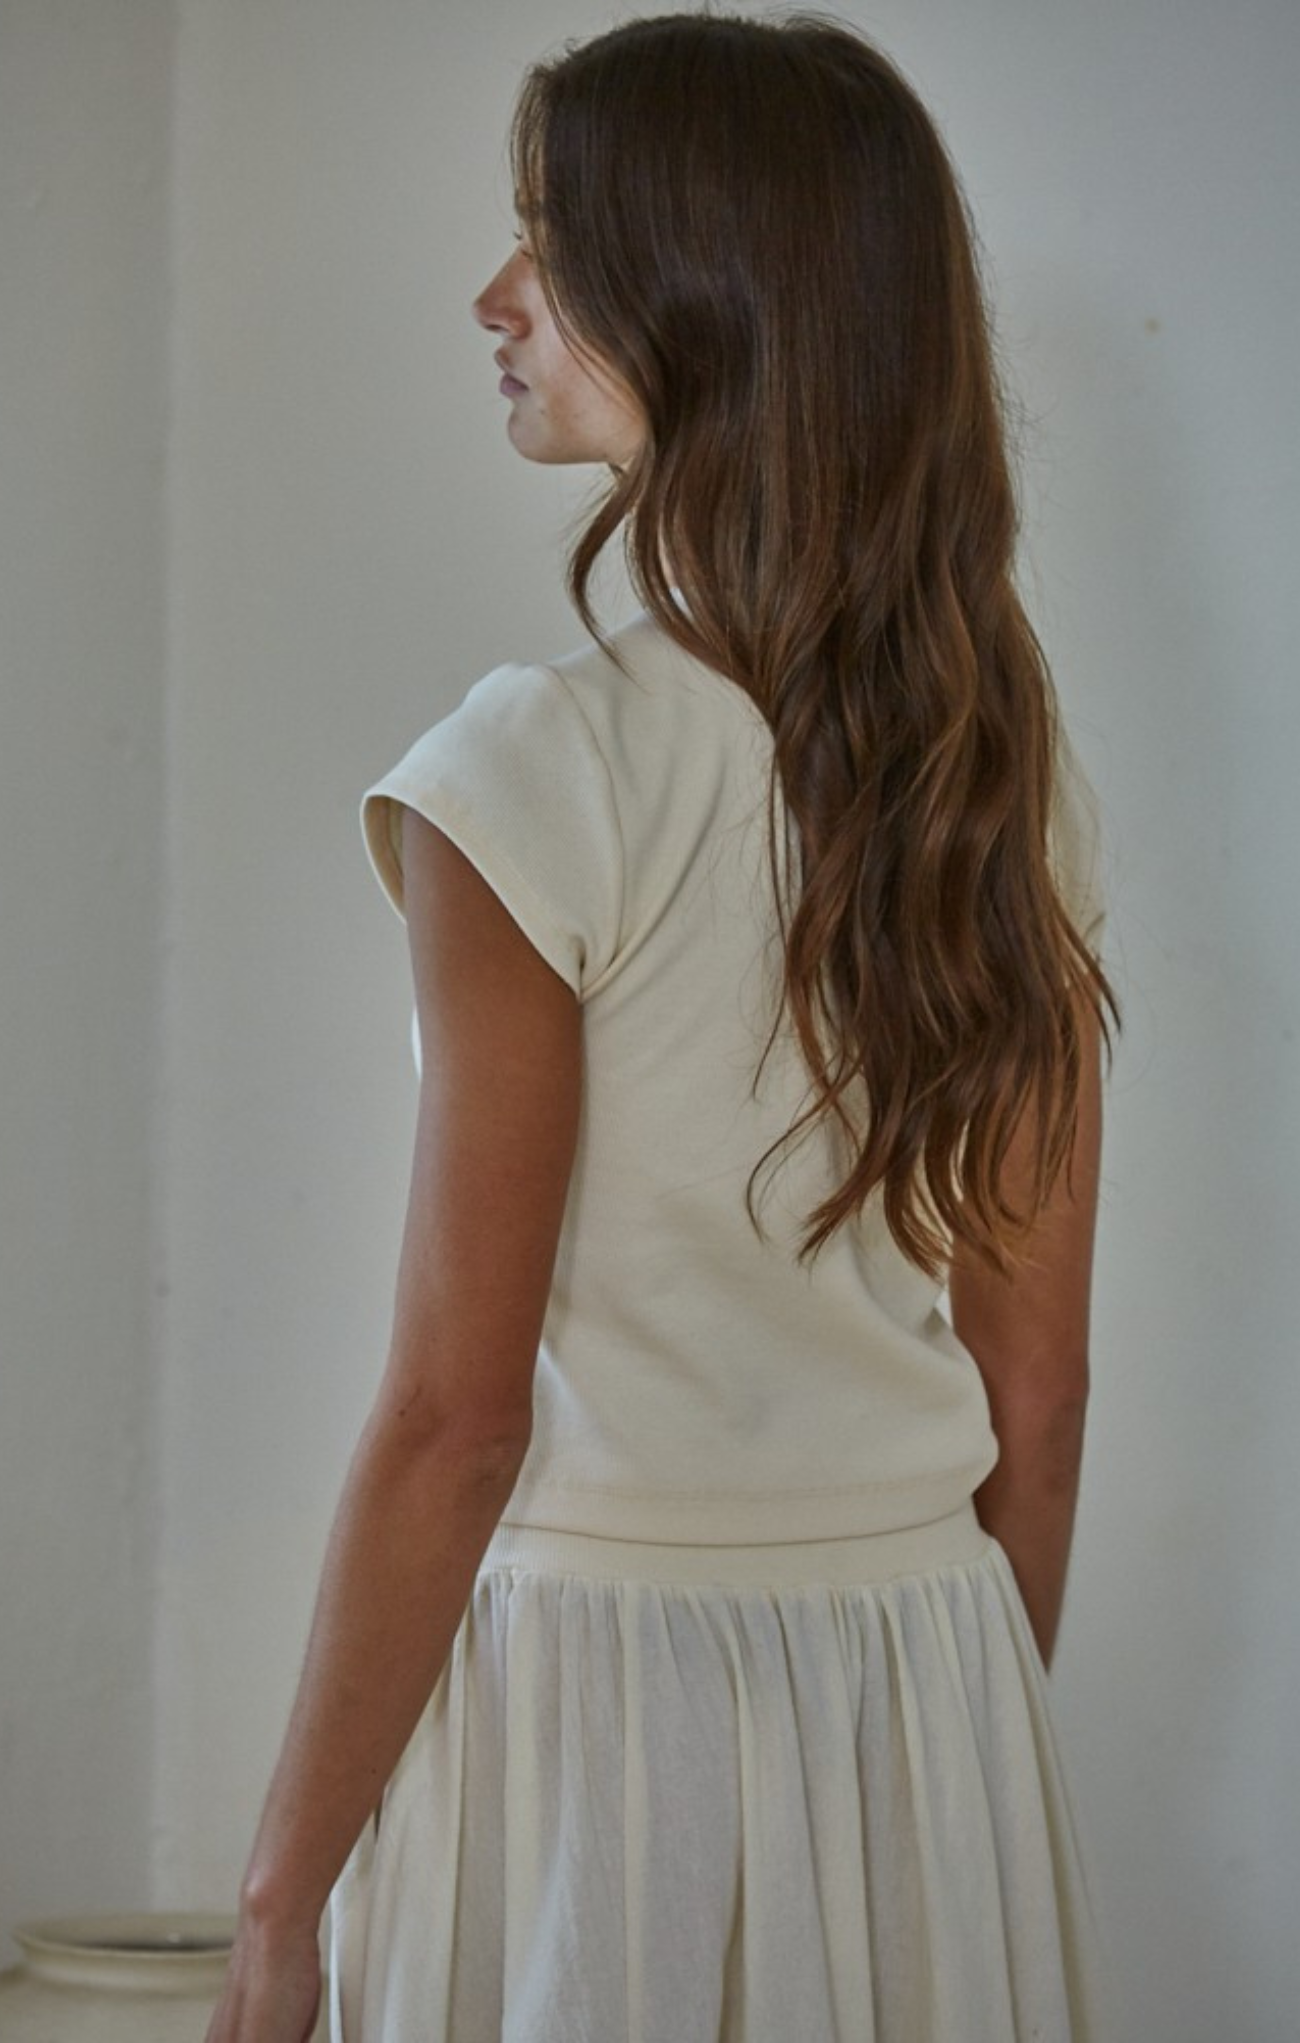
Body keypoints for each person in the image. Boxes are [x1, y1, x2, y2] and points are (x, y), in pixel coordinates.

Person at [206, 12, 1121, 2041]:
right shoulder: (998, 774)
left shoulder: (534, 771)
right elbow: (1033, 1393)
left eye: (548, 241)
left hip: (587, 1714)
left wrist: (278, 1906)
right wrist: (944, 1733)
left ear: (701, 299)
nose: (492, 298)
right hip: (922, 1672)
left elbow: (457, 1421)